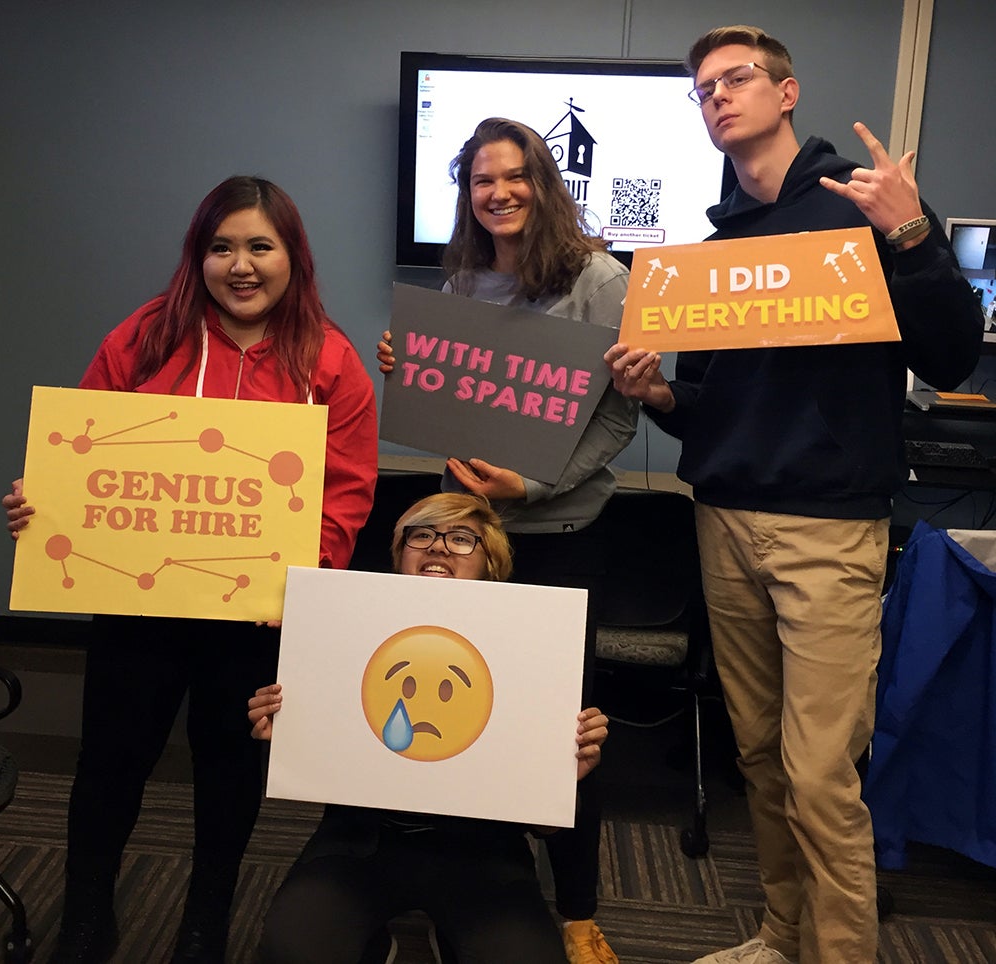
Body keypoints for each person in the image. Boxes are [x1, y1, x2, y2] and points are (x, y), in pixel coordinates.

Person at [604, 25, 983, 964]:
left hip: (829, 531)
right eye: (703, 90)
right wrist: (659, 395)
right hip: (724, 522)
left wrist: (912, 230)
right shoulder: (713, 249)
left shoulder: (862, 209)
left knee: (820, 778)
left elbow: (949, 356)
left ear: (787, 93)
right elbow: (705, 409)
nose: (718, 97)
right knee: (762, 762)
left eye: (736, 79)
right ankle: (780, 935)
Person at [3, 176, 378, 963]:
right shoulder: (145, 336)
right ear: (198, 255)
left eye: (259, 247)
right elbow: (83, 453)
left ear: (291, 256)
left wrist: (302, 579)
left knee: (230, 768)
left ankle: (205, 920)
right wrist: (45, 509)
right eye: (221, 247)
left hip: (252, 615)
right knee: (110, 761)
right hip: (139, 605)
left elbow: (345, 493)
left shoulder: (330, 360)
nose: (241, 266)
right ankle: (86, 918)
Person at [378, 117, 637, 964]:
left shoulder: (601, 279)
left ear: (544, 181)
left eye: (515, 175)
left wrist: (533, 485)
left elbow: (619, 414)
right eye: (482, 180)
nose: (499, 192)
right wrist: (410, 371)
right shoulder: (459, 285)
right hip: (471, 539)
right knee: (457, 697)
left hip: (561, 534)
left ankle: (577, 908)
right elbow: (455, 408)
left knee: (566, 728)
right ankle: (451, 880)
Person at [248, 492, 609, 964]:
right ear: (398, 556)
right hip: (362, 843)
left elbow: (545, 825)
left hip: (484, 855)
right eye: (422, 535)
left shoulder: (534, 651)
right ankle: (375, 946)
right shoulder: (342, 632)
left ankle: (453, 940)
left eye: (462, 539)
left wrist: (564, 778)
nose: (438, 546)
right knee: (290, 951)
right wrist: (279, 737)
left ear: (491, 565)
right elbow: (302, 773)